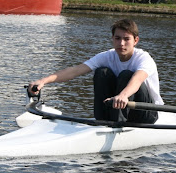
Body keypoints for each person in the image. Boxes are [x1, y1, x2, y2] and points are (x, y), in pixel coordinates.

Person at [29, 18, 162, 123]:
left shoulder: (144, 58)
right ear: (112, 39)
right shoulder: (107, 56)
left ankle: (116, 125)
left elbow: (137, 80)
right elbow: (75, 70)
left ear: (135, 41)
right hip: (120, 107)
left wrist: (123, 95)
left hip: (146, 113)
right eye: (117, 38)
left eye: (126, 39)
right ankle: (102, 121)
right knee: (101, 72)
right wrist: (43, 81)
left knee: (127, 75)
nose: (121, 43)